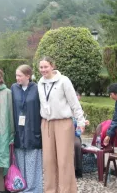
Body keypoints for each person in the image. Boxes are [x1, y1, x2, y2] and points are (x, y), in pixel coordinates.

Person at [38, 56, 85, 193]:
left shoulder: (63, 81)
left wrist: (80, 121)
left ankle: (66, 190)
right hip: (46, 123)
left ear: (52, 66)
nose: (43, 70)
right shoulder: (40, 83)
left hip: (63, 123)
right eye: (41, 67)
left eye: (46, 66)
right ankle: (50, 190)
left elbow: (74, 103)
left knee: (64, 160)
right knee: (48, 160)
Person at [10, 65, 43, 192]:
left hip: (33, 129)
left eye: (20, 75)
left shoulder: (37, 88)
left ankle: (34, 188)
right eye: (16, 75)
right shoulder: (14, 88)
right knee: (20, 160)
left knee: (33, 161)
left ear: (28, 76)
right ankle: (22, 186)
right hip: (19, 130)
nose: (17, 78)